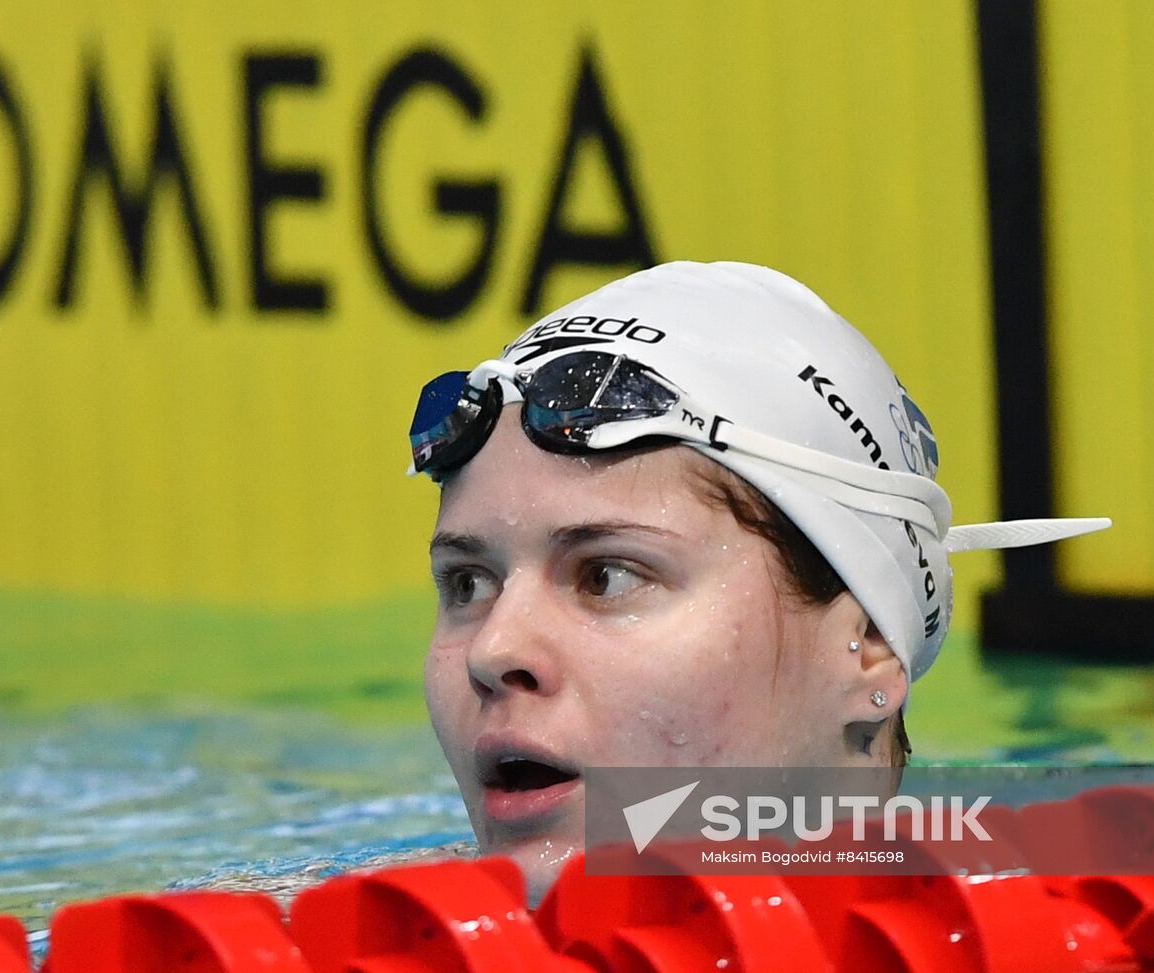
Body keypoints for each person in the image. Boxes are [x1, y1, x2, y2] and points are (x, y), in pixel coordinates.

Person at [409, 261, 1110, 902]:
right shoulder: (344, 921)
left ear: (867, 641)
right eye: (468, 583)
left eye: (607, 575)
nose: (492, 650)